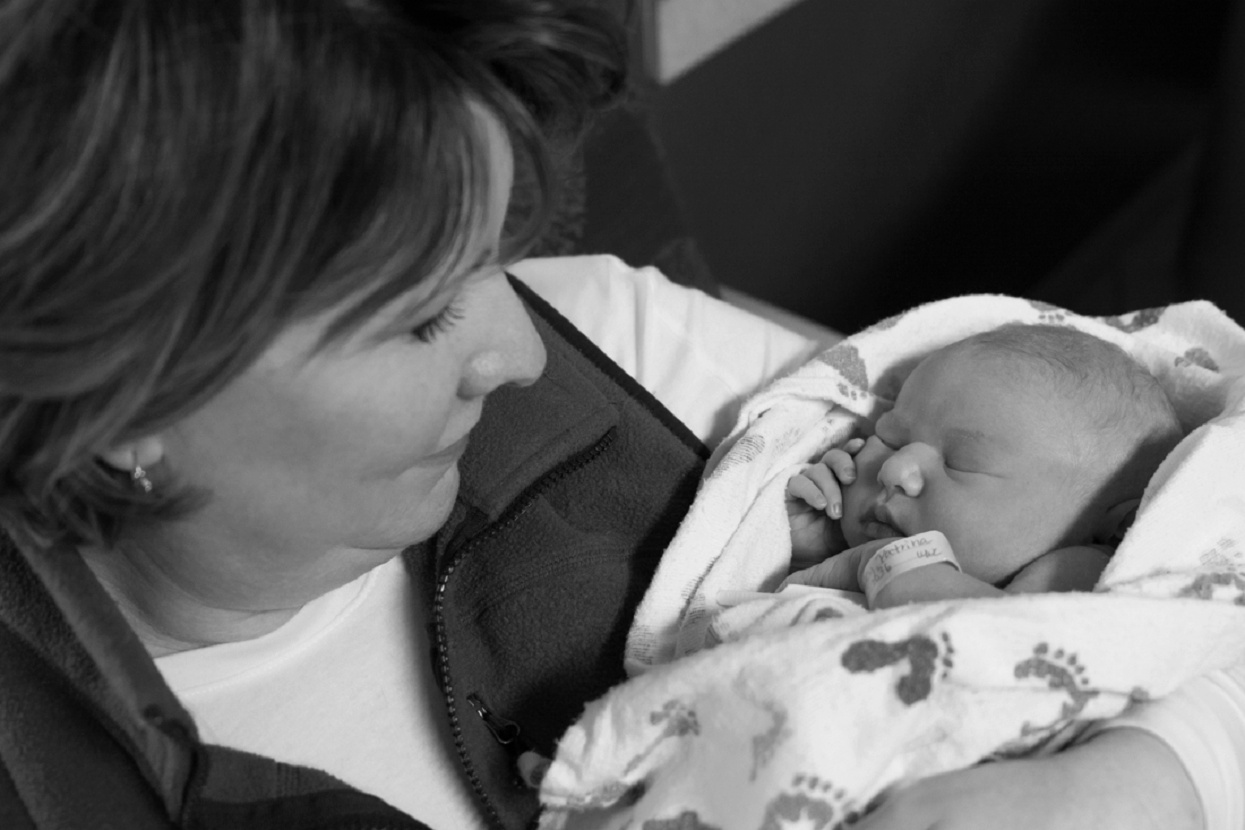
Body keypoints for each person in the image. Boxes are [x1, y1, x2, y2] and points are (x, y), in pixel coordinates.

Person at [0, 2, 1235, 829]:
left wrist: (1147, 781)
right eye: (420, 315)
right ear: (123, 399)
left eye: (497, 252)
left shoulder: (627, 342)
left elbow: (1188, 564)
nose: (521, 346)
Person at [783, 323, 1183, 609]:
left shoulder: (1081, 569)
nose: (893, 470)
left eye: (961, 463)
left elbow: (1000, 639)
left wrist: (879, 562)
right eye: (891, 439)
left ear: (1111, 530)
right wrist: (802, 550)